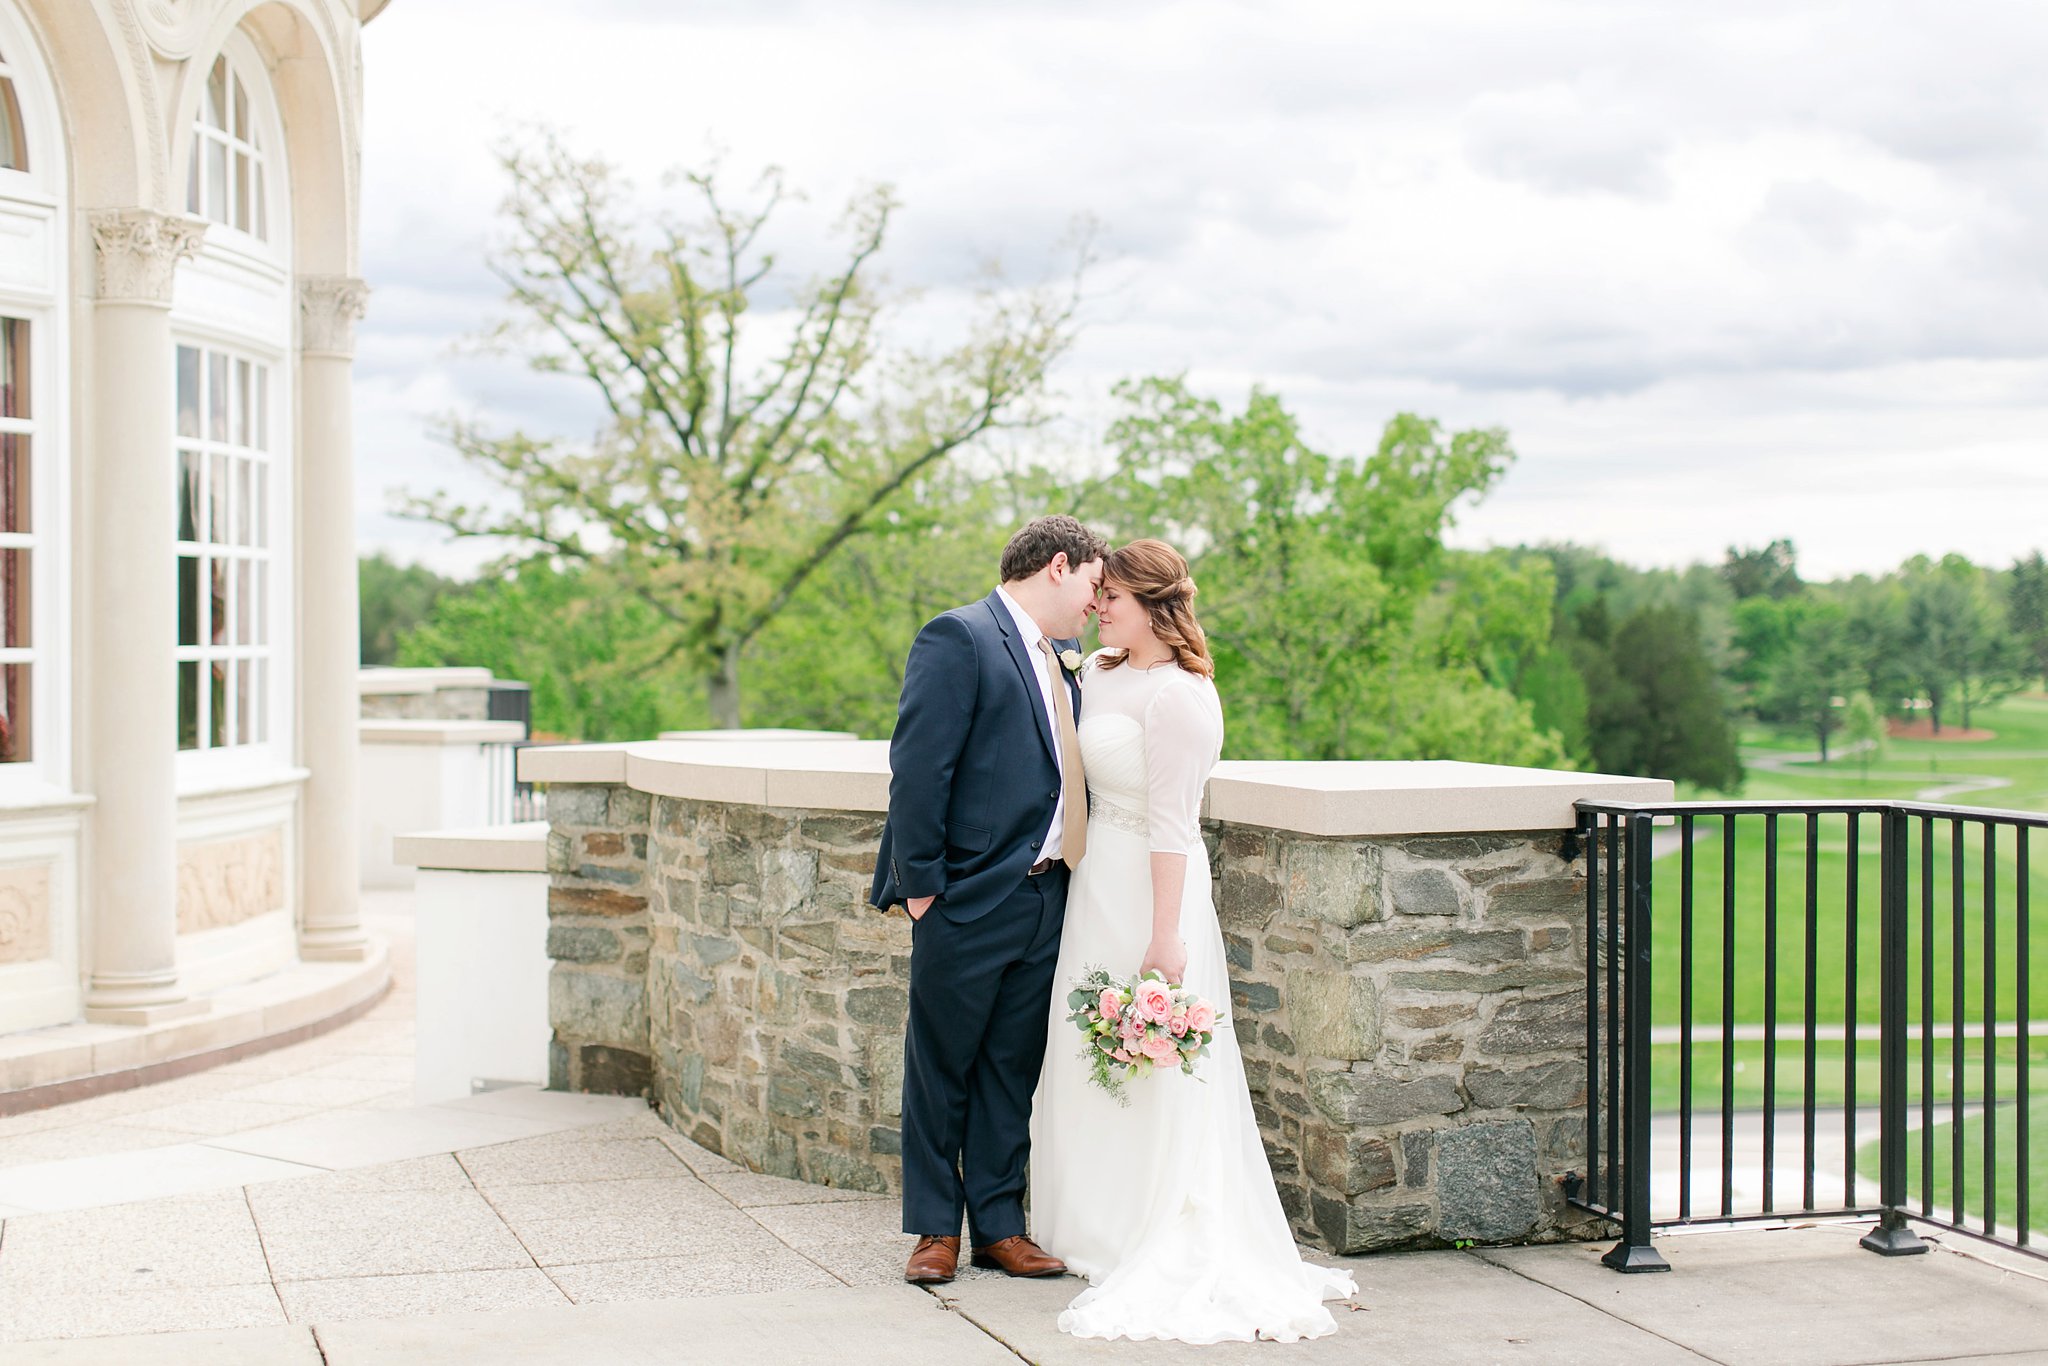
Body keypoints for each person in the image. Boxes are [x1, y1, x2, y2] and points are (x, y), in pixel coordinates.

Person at [1029, 538, 1357, 1344]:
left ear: (1151, 604)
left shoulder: (1180, 698)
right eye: (1097, 595)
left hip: (1150, 891)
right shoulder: (1100, 675)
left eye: (1111, 597)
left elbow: (1175, 825)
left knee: (1153, 1059)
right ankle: (1085, 1222)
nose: (1097, 607)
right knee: (1085, 1048)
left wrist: (1166, 937)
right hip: (1094, 885)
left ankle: (1144, 1222)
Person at [870, 514, 1108, 1286]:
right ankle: (935, 1231)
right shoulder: (960, 636)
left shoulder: (1060, 658)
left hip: (1047, 897)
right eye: (1093, 586)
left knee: (1012, 1066)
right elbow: (919, 767)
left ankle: (1000, 1227)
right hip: (965, 898)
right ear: (1059, 567)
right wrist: (924, 891)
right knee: (942, 1066)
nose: (1095, 603)